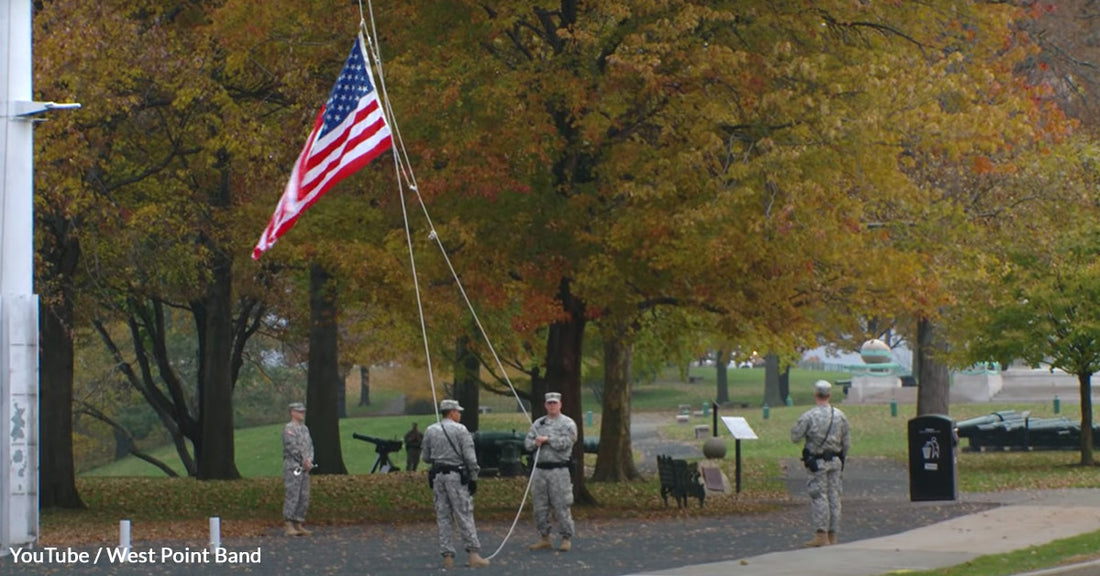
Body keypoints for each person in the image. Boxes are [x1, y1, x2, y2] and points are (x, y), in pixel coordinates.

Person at [422, 399, 489, 568]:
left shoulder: (430, 430)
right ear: (452, 412)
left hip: (438, 476)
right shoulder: (461, 430)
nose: (459, 414)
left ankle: (448, 556)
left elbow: (426, 457)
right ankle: (473, 554)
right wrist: (474, 477)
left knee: (443, 516)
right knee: (464, 514)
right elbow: (470, 458)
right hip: (456, 476)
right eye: (458, 412)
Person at [790, 380, 851, 547]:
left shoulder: (809, 416)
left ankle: (821, 534)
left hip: (817, 462)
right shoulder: (840, 415)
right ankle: (833, 535)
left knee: (819, 496)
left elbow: (795, 436)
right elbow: (846, 442)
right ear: (829, 395)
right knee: (834, 497)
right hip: (836, 461)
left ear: (816, 395)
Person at [524, 391, 577, 552]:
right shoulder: (538, 424)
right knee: (540, 506)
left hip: (559, 470)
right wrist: (535, 443)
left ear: (560, 405)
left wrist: (548, 440)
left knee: (561, 504)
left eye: (555, 403)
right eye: (549, 403)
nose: (552, 406)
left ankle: (566, 538)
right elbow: (527, 444)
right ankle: (544, 537)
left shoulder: (568, 423)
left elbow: (567, 442)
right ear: (545, 405)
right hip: (540, 470)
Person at [282, 402, 314, 536]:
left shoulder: (305, 429)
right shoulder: (289, 429)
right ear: (292, 412)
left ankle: (298, 522)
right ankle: (288, 523)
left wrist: (310, 460)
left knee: (304, 495)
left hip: (305, 467)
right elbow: (292, 447)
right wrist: (303, 460)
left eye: (303, 411)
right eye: (299, 411)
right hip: (293, 466)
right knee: (293, 494)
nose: (302, 414)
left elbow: (310, 446)